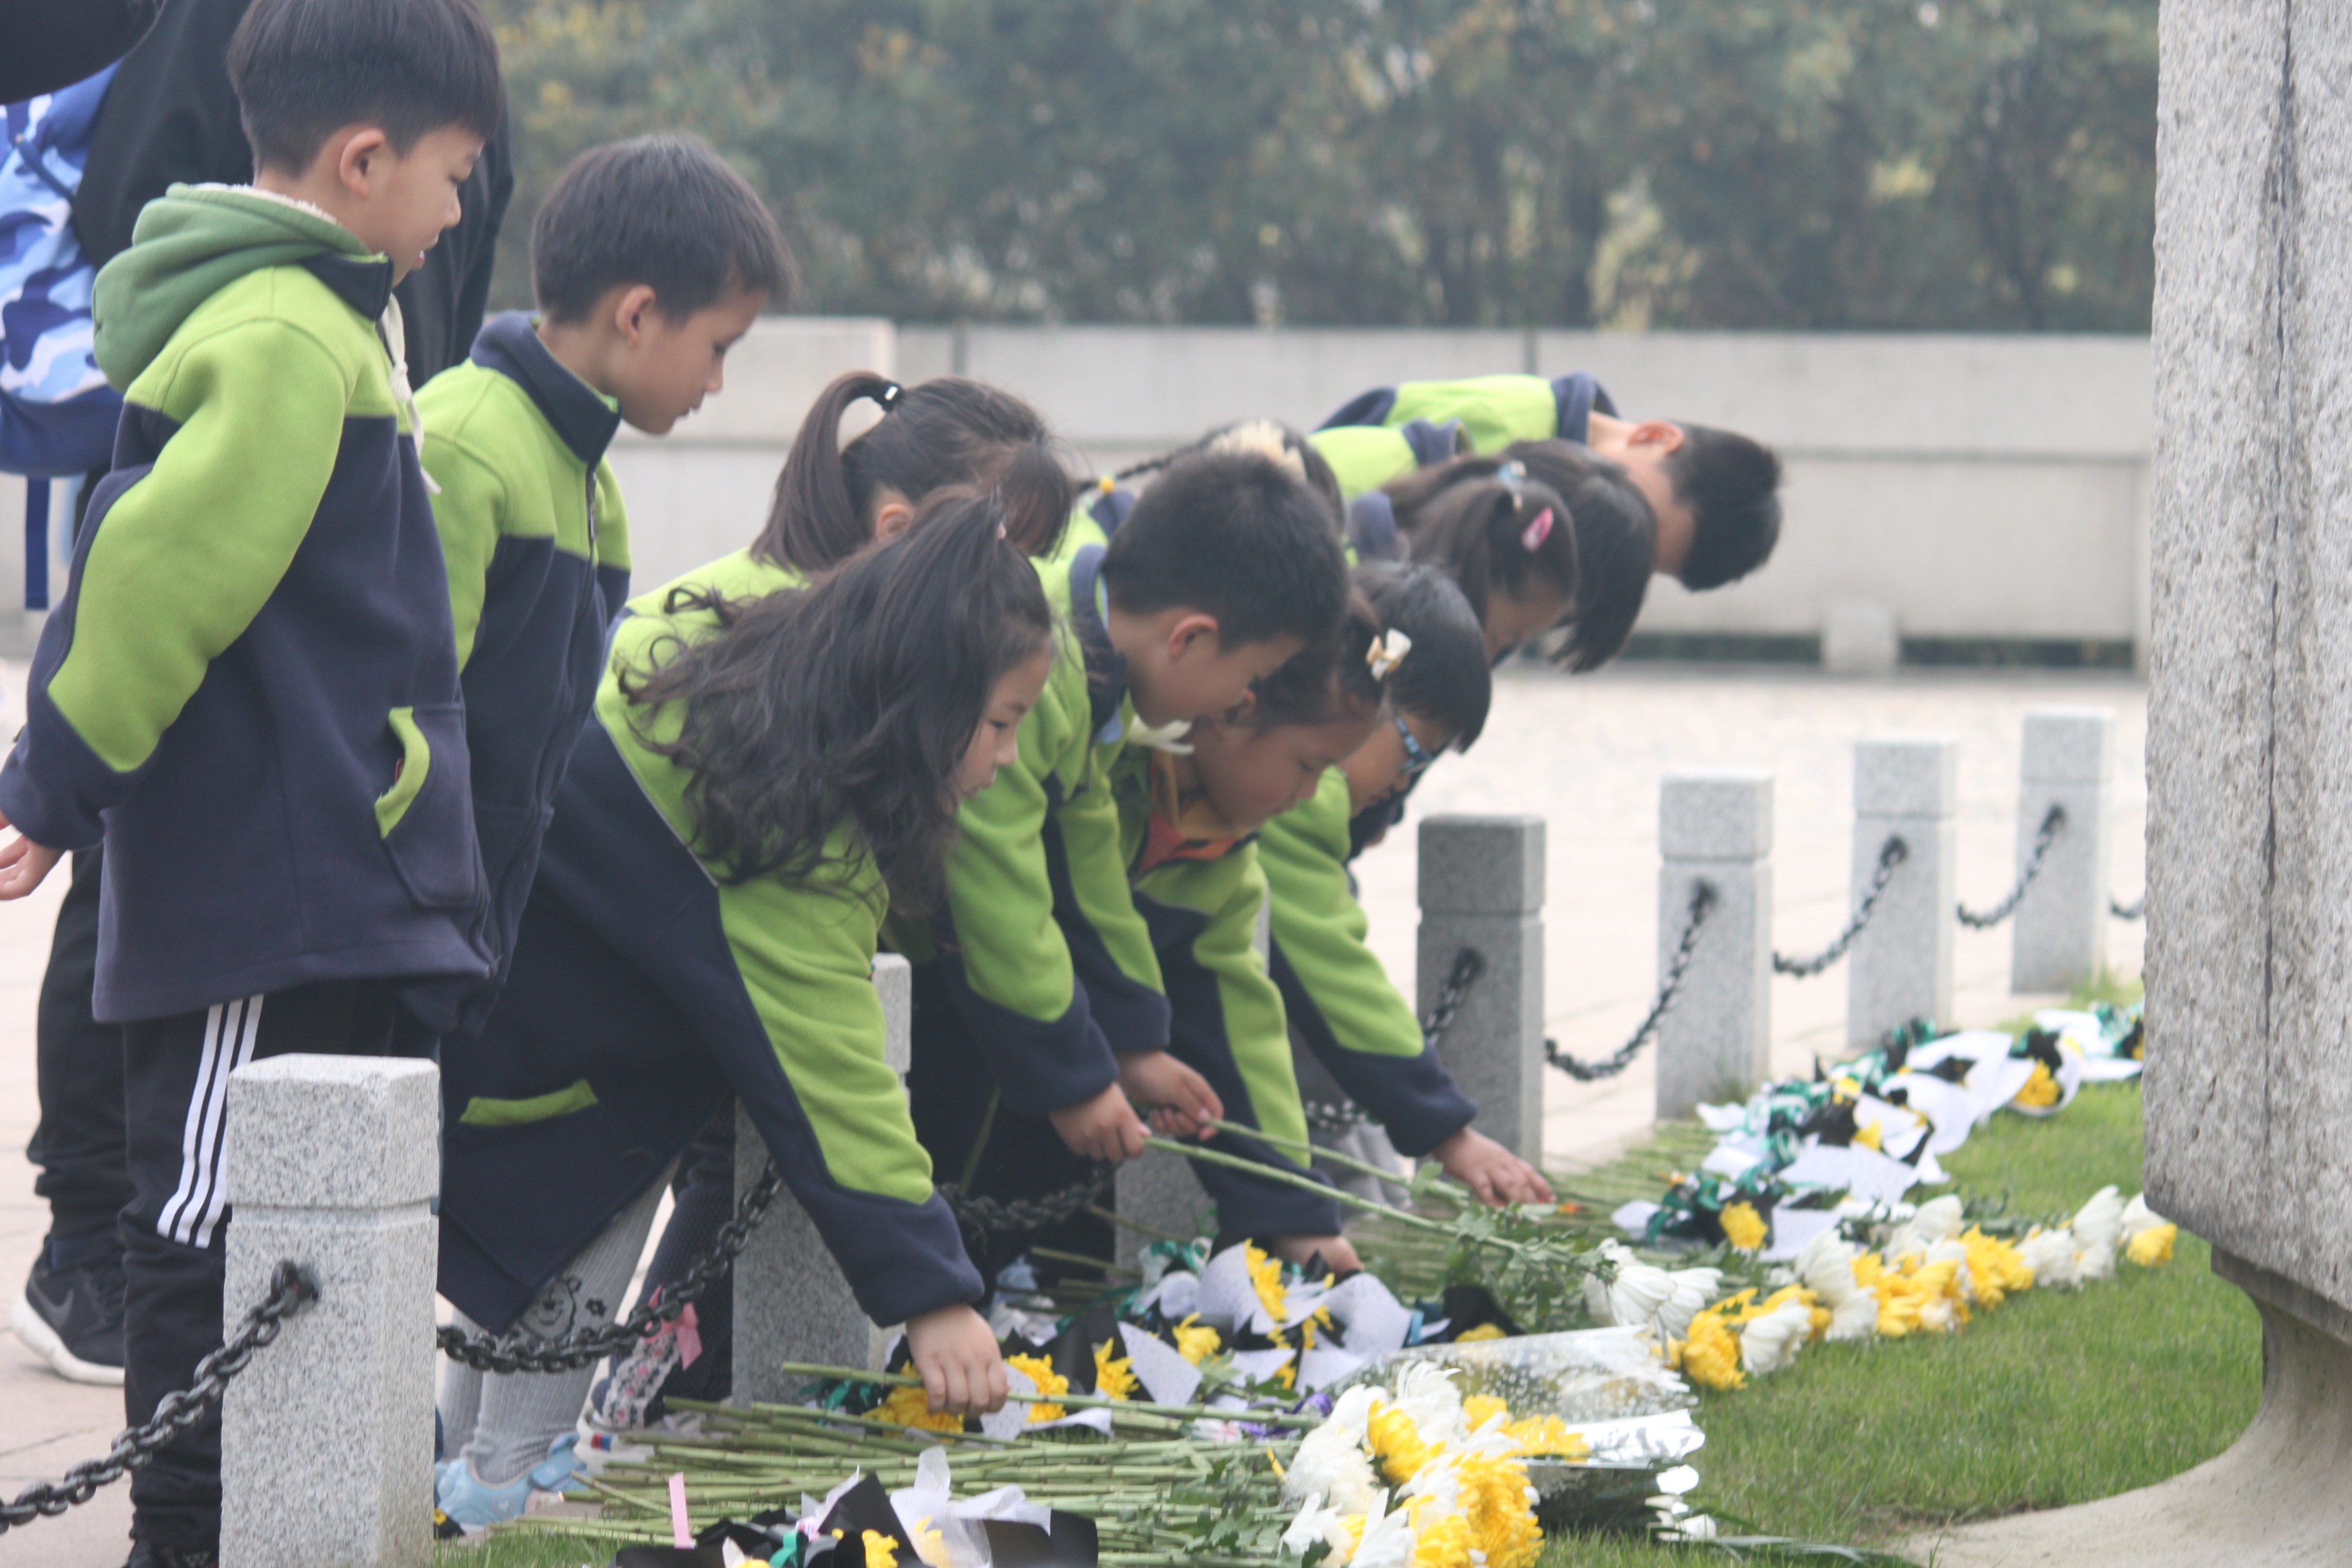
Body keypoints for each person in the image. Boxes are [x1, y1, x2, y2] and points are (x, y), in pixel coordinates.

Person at [0, 0, 505, 1561]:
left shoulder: (325, 319)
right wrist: (50, 784)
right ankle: (185, 1529)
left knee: (287, 1209)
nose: (459, 213)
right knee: (202, 1218)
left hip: (317, 872)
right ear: (362, 160)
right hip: (260, 892)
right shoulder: (288, 331)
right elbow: (157, 573)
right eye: (454, 176)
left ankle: (287, 1512)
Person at [435, 489, 1054, 1526]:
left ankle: (461, 1477)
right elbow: (836, 1077)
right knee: (566, 1247)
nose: (1009, 758)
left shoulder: (750, 671)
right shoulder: (795, 834)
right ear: (926, 698)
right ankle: (506, 1490)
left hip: (504, 1026)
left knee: (510, 1267)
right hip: (566, 1085)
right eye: (1000, 724)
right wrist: (936, 1296)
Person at [579, 368, 1074, 1434]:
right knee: (593, 1239)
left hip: (595, 1056)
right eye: (997, 552)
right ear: (904, 538)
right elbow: (831, 1044)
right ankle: (580, 1435)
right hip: (557, 1069)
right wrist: (934, 1289)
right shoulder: (795, 734)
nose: (1010, 588)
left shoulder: (813, 670)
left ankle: (596, 1425)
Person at [903, 425, 1352, 1268]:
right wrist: (1074, 1077)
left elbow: (1088, 868)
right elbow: (997, 879)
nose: (1243, 700)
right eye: (1251, 676)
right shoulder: (1039, 653)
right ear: (1190, 639)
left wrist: (1138, 1043)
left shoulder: (1093, 668)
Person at [415, 131, 792, 1041]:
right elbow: (397, 717)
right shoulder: (463, 442)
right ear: (638, 314)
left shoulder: (595, 487)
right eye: (718, 346)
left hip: (471, 942)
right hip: (397, 937)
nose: (717, 381)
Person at [1258, 566, 1554, 1208]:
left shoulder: (1302, 787)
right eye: (1415, 753)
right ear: (1365, 693)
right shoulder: (1294, 799)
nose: (1402, 784)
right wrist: (1447, 1130)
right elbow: (1337, 976)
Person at [1315, 370, 1785, 592]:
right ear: (1654, 438)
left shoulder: (1584, 548)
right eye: (1642, 514)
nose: (1629, 538)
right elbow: (1361, 439)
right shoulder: (1513, 414)